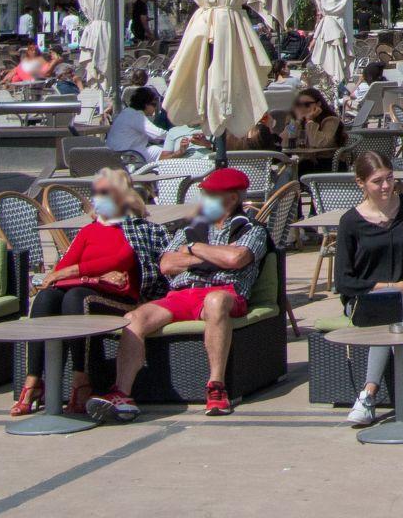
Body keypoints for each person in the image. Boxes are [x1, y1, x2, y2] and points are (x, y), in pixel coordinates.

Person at [87, 166, 268, 421]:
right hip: (182, 293)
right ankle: (122, 394)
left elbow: (236, 258)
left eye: (211, 194)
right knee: (134, 318)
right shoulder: (189, 228)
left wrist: (193, 249)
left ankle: (216, 386)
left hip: (224, 293)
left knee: (215, 301)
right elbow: (167, 265)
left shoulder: (251, 229)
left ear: (232, 198)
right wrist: (211, 257)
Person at [11, 169, 164, 416]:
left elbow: (121, 259)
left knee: (76, 297)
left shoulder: (135, 228)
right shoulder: (89, 230)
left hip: (121, 296)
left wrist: (74, 272)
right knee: (47, 297)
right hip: (89, 287)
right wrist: (89, 276)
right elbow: (60, 270)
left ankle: (81, 379)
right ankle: (33, 381)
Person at [334, 149, 403, 426]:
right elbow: (345, 282)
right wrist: (393, 287)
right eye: (377, 181)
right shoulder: (350, 222)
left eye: (390, 178)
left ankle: (368, 394)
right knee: (392, 312)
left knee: (396, 310)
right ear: (361, 183)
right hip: (365, 299)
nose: (386, 186)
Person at [280, 87, 347, 177]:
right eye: (299, 104)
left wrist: (310, 120)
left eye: (307, 104)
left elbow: (318, 143)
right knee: (287, 171)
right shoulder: (297, 122)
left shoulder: (331, 120)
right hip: (306, 162)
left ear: (318, 104)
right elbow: (284, 142)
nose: (302, 108)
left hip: (328, 162)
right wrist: (297, 121)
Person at [106, 86, 169, 162]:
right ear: (146, 104)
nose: (155, 108)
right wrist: (175, 135)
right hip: (127, 157)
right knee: (160, 150)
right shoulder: (136, 117)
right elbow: (158, 134)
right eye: (154, 104)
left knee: (156, 148)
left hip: (115, 155)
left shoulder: (127, 113)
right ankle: (164, 171)